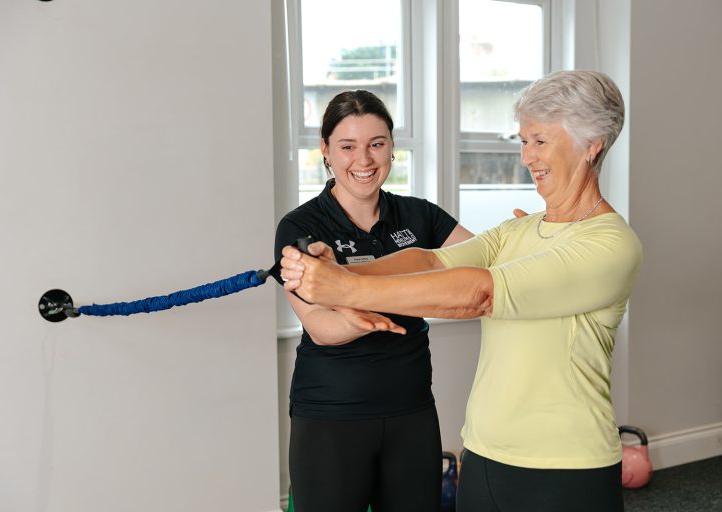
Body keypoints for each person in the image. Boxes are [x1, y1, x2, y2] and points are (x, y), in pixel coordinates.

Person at [280, 70, 642, 512]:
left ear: (592, 144)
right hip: (487, 454)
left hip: (564, 462)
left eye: (540, 141)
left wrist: (345, 285)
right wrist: (346, 273)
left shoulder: (610, 244)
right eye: (523, 141)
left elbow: (479, 294)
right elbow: (430, 260)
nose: (527, 158)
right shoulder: (518, 229)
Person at [275, 89, 473, 512]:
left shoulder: (422, 217)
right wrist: (366, 315)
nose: (363, 161)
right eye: (348, 146)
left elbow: (481, 268)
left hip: (412, 411)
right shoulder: (301, 226)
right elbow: (322, 328)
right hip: (330, 417)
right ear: (325, 151)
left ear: (391, 149)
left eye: (376, 144)